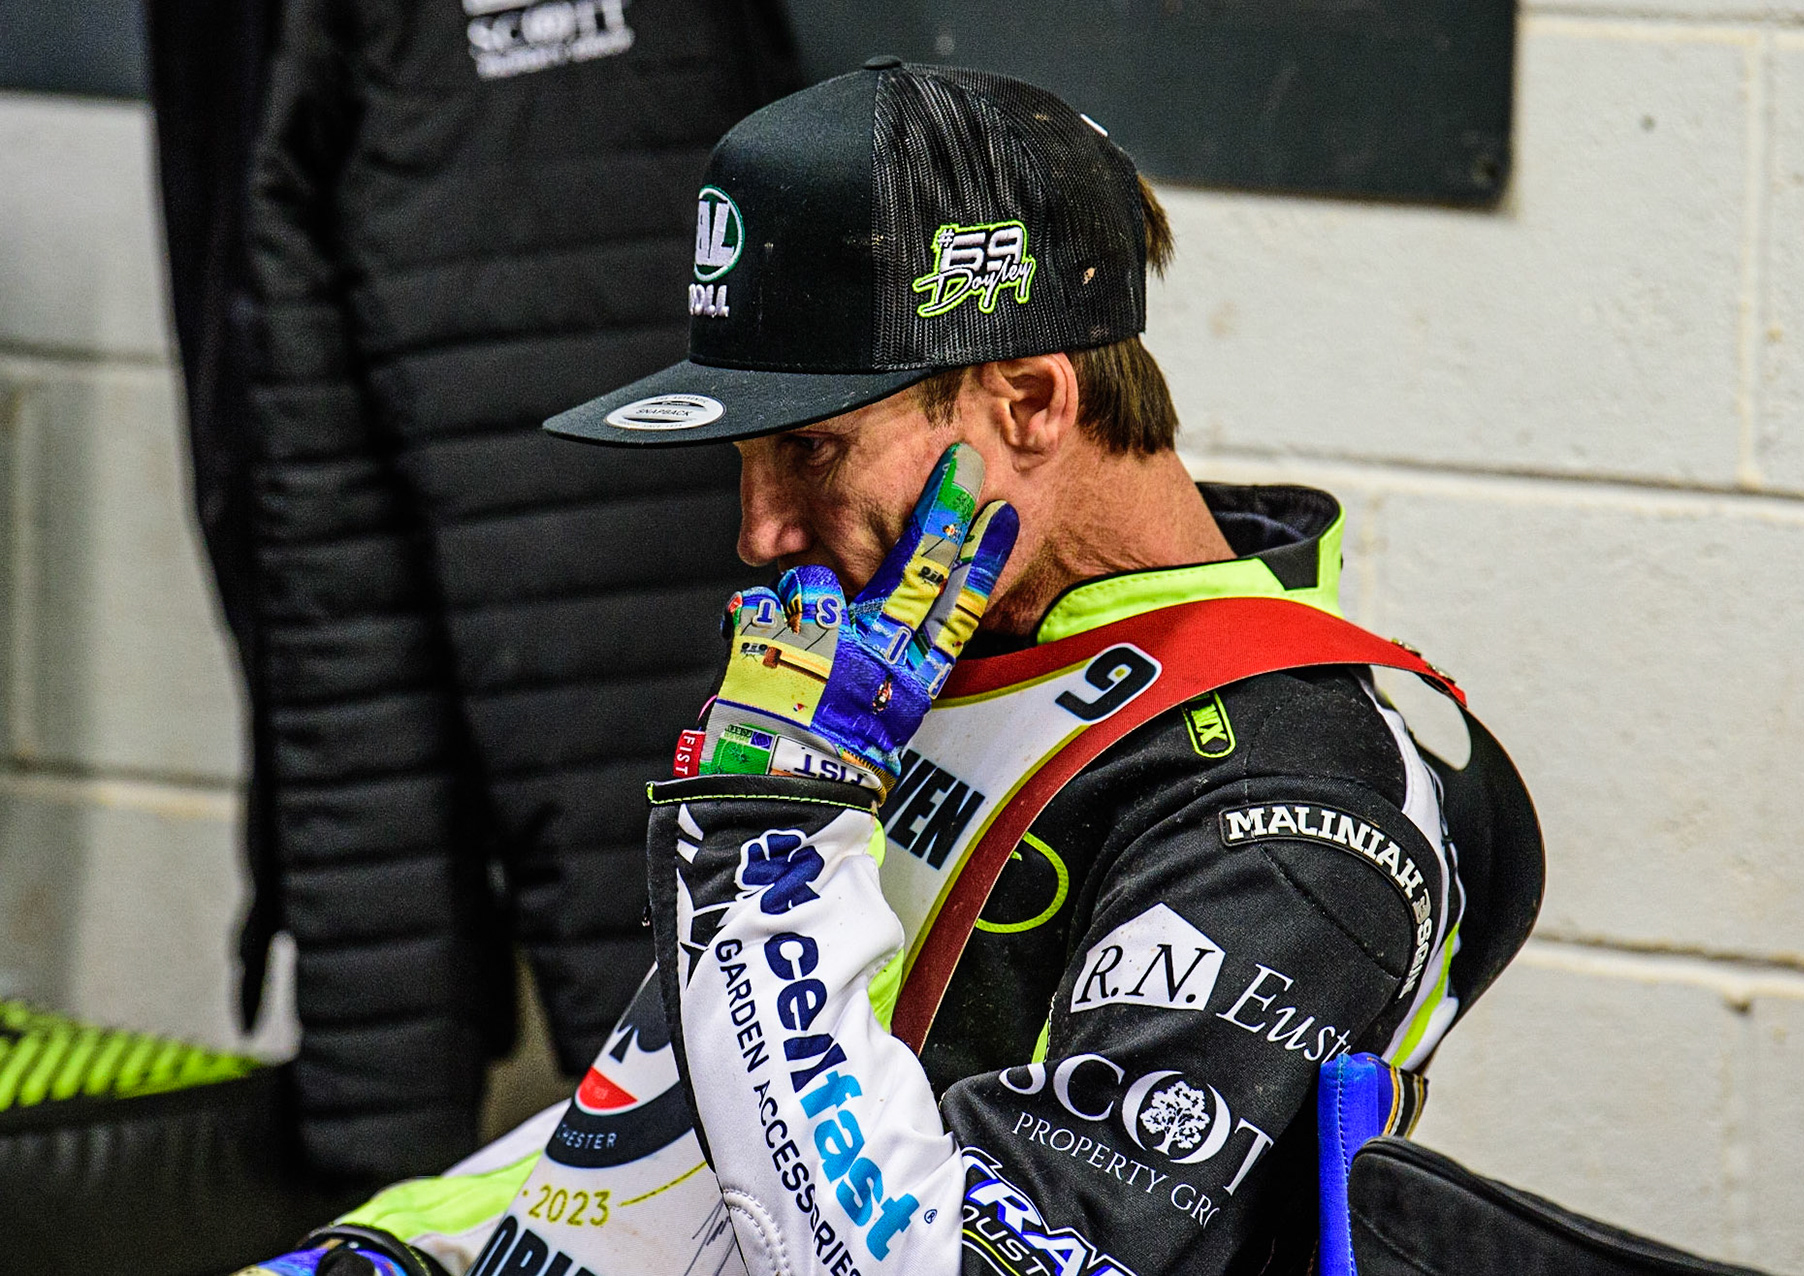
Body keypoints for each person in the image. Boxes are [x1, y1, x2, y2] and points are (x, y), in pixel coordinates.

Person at [243, 59, 1542, 1276]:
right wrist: (394, 1252)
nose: (760, 533)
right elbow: (650, 1122)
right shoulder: (919, 667)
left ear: (1030, 403)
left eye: (810, 448)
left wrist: (768, 848)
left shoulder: (1301, 800)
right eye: (741, 460)